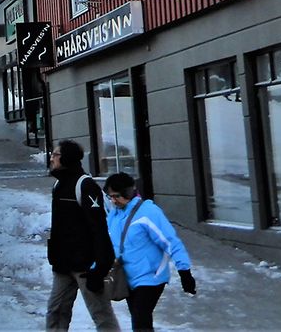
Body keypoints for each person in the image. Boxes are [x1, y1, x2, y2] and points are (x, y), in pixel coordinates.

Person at [104, 172, 196, 331]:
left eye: (116, 196)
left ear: (128, 192)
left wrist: (184, 272)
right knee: (140, 321)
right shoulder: (114, 215)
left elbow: (171, 242)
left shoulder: (148, 212)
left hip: (150, 276)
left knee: (140, 321)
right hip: (128, 277)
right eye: (110, 196)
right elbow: (110, 245)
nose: (113, 201)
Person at [46, 139, 118, 331]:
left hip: (86, 266)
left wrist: (101, 267)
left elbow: (99, 228)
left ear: (67, 158)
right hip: (63, 264)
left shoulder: (85, 186)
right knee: (55, 311)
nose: (51, 158)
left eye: (56, 155)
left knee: (101, 315)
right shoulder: (58, 185)